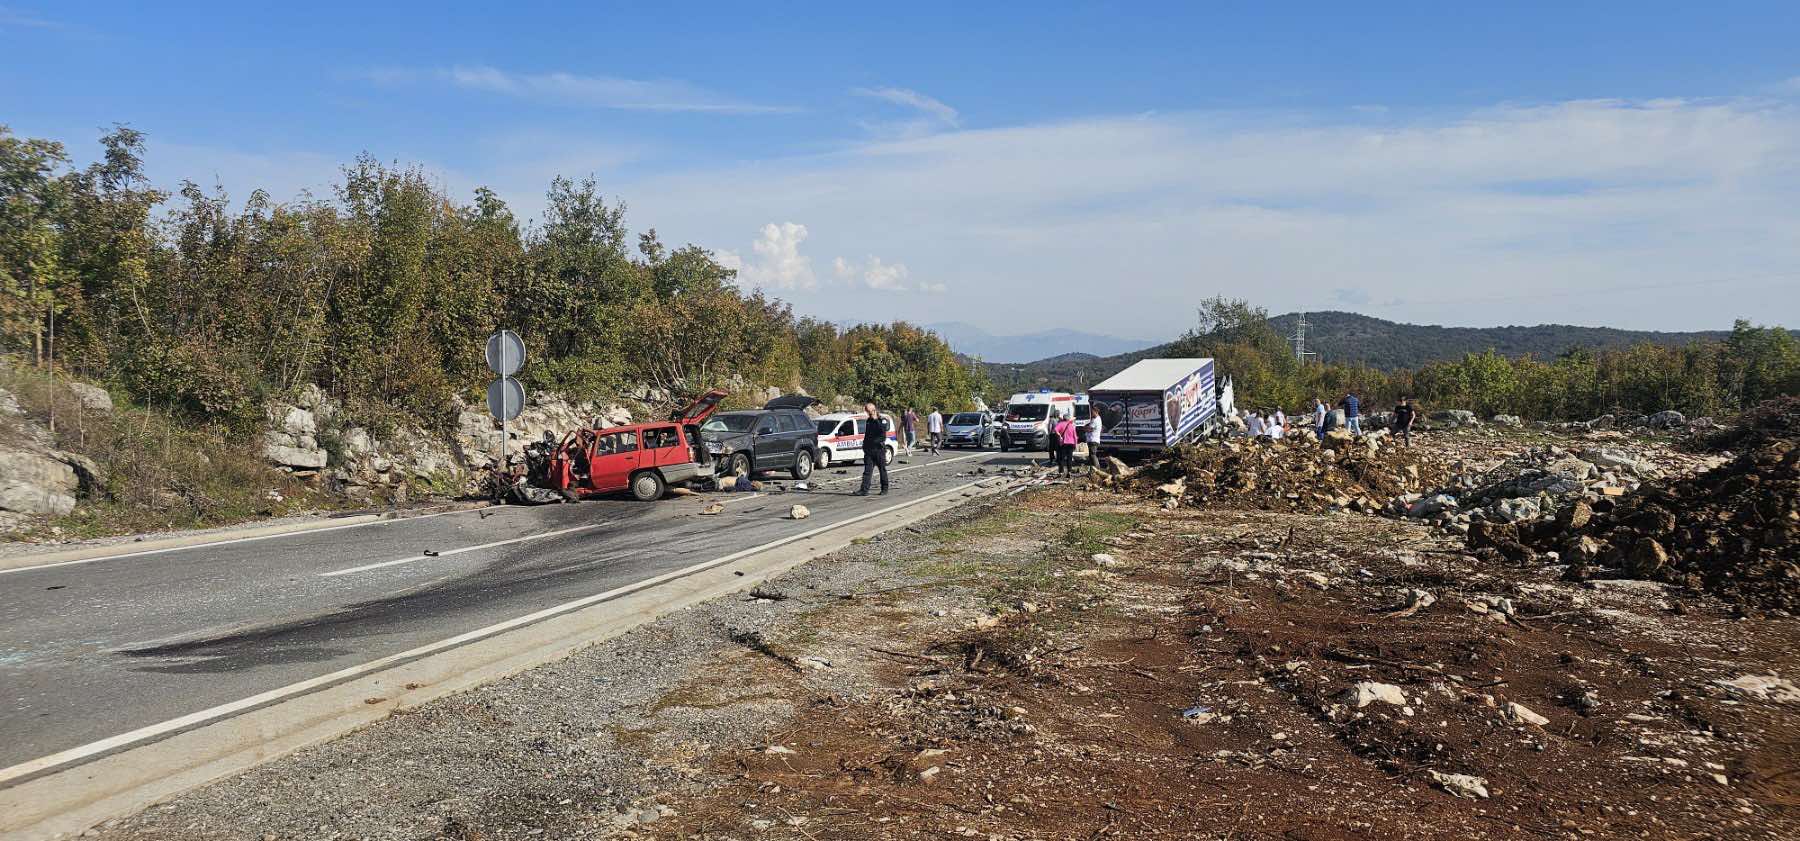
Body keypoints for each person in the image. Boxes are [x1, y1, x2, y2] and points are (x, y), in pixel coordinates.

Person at [855, 403, 890, 496]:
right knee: (867, 471)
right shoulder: (869, 420)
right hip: (869, 450)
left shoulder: (882, 420)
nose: (868, 413)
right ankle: (864, 490)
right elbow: (867, 434)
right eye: (867, 411)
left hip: (879, 450)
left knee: (882, 470)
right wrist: (864, 445)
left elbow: (882, 434)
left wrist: (875, 420)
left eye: (869, 411)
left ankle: (884, 488)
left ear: (874, 410)